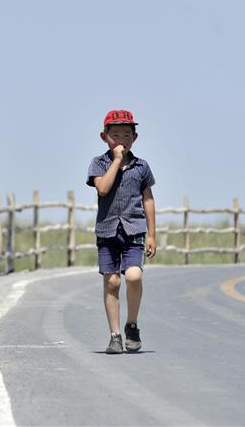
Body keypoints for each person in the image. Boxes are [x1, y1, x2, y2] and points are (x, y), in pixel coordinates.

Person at [86, 109, 157, 354]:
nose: (121, 140)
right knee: (113, 281)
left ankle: (132, 325)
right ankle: (115, 335)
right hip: (107, 230)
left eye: (126, 135)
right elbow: (103, 189)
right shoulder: (98, 163)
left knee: (134, 276)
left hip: (134, 229)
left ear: (135, 137)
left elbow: (148, 200)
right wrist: (116, 160)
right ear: (104, 137)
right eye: (115, 135)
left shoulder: (141, 167)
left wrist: (152, 233)